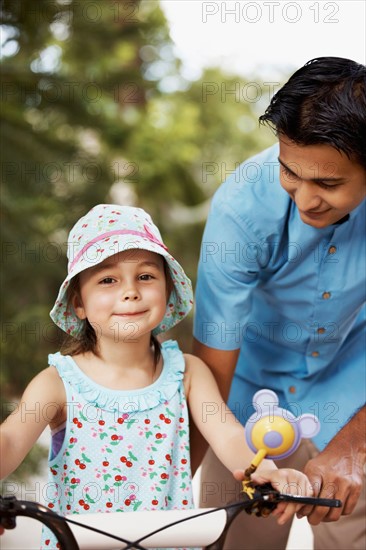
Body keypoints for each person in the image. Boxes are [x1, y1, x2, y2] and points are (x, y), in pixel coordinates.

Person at [0, 204, 312, 549]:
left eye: (146, 276)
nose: (131, 291)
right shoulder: (57, 382)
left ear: (167, 289)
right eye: (108, 279)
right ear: (79, 304)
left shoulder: (189, 373)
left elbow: (229, 436)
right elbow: (10, 441)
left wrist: (269, 471)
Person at [193, 56, 366, 550]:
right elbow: (212, 365)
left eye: (329, 184)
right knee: (225, 540)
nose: (305, 199)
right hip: (246, 400)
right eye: (290, 172)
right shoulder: (240, 209)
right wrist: (166, 487)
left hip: (356, 391)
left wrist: (353, 447)